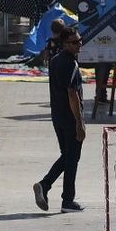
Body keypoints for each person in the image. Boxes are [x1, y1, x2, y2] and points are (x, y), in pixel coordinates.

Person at [34, 21, 86, 213]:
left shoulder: (55, 60)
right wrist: (80, 123)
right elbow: (72, 95)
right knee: (72, 159)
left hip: (57, 117)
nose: (78, 45)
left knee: (68, 156)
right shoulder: (70, 63)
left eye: (80, 41)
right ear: (65, 44)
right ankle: (65, 200)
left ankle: (45, 186)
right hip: (70, 118)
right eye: (74, 43)